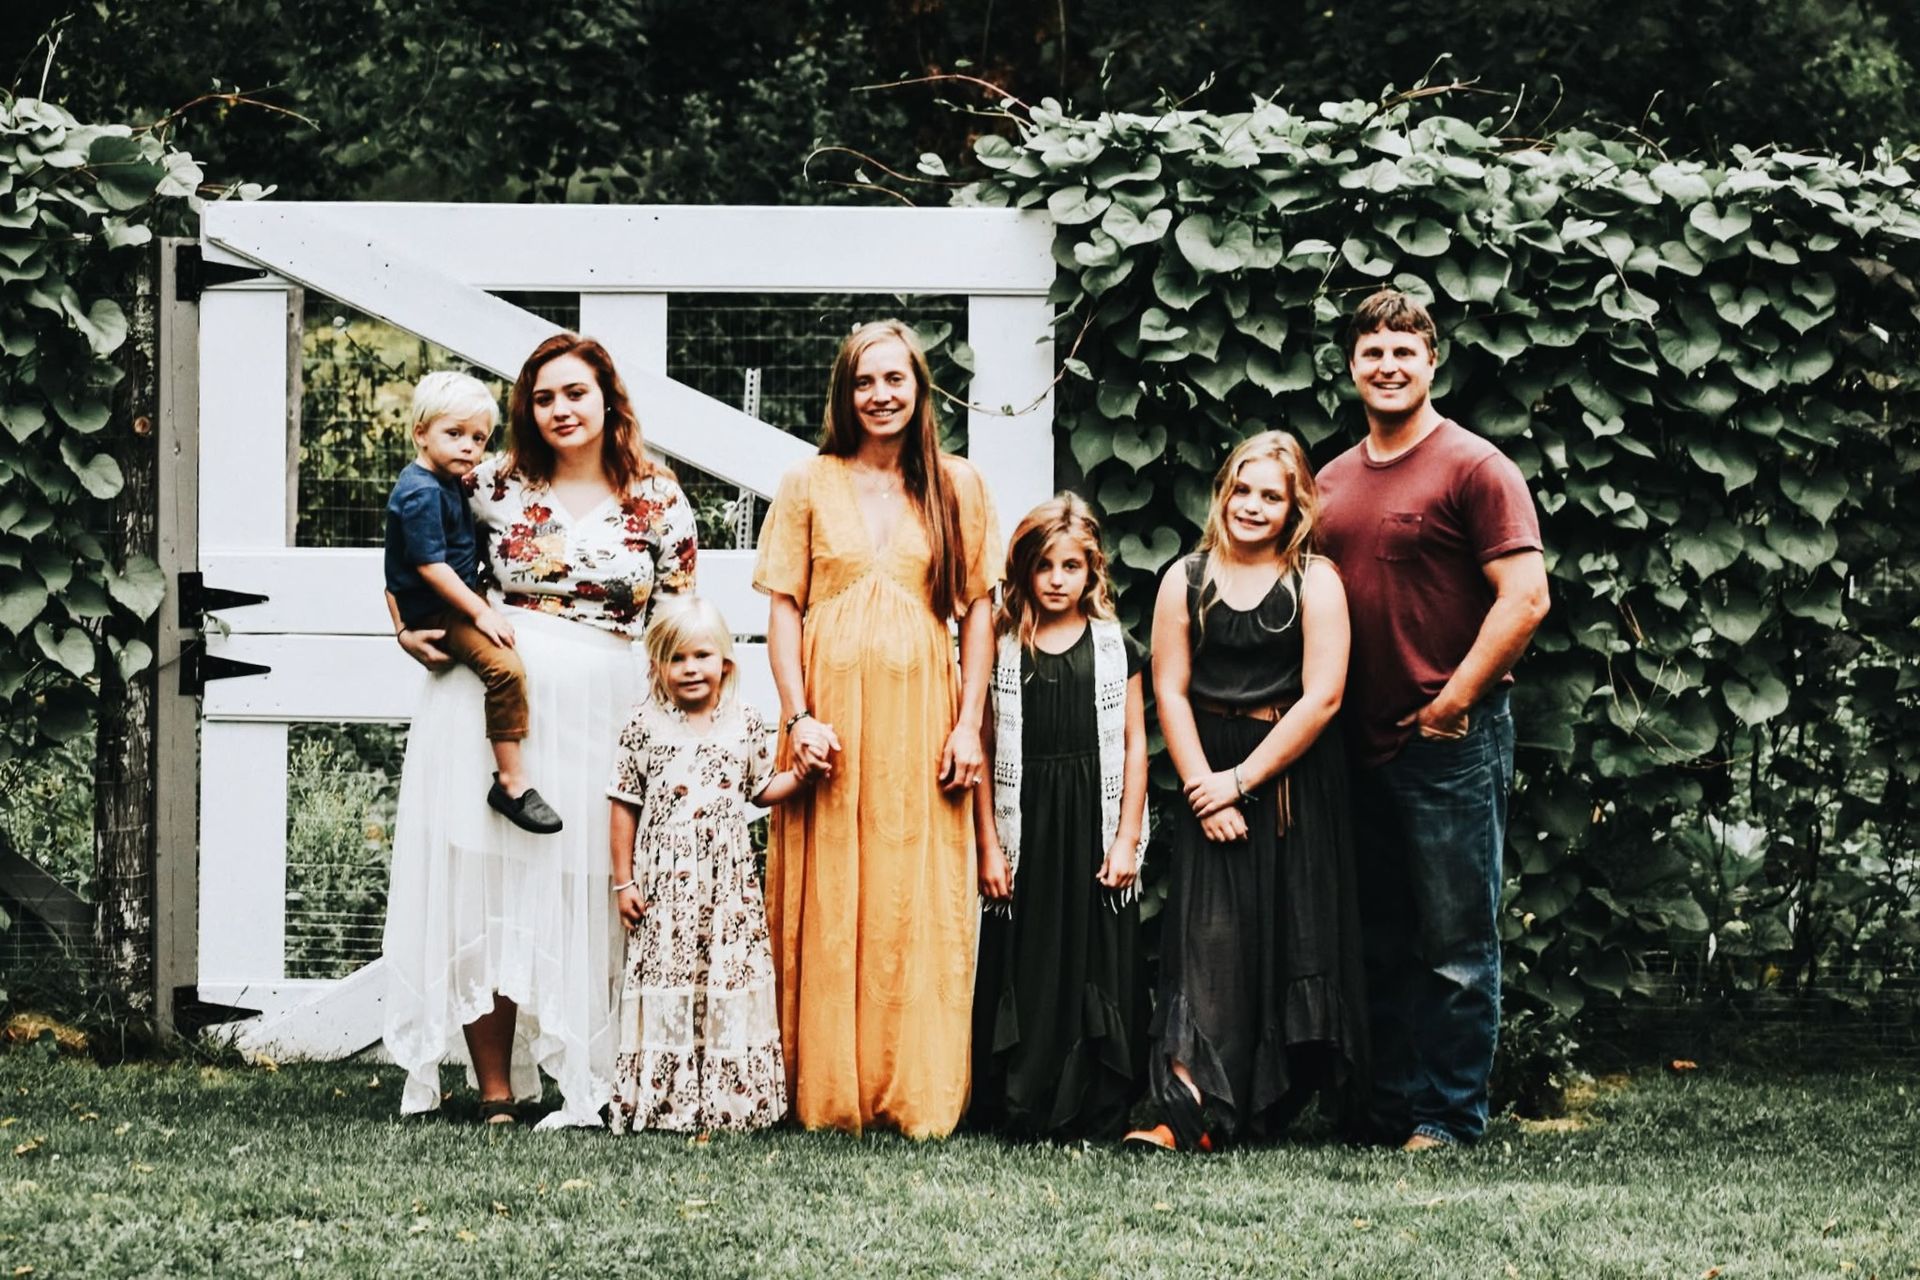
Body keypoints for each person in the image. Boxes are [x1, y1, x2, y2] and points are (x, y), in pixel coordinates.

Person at [381, 332, 698, 1128]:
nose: (560, 409)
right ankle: (496, 1088)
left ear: (607, 399)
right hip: (491, 712)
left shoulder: (658, 496)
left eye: (575, 393)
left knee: (591, 883)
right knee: (490, 883)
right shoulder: (490, 483)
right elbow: (408, 545)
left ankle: (593, 1071)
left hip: (607, 704)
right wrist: (400, 625)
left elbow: (678, 612)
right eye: (544, 397)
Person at [754, 318, 1002, 1138]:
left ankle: (914, 1088)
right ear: (845, 394)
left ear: (920, 390)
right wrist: (797, 718)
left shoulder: (956, 484)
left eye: (895, 379)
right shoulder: (808, 482)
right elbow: (782, 610)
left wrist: (969, 725)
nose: (880, 395)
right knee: (830, 893)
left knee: (911, 895)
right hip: (829, 725)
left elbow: (977, 611)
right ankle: (828, 1091)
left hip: (922, 721)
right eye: (865, 381)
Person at [1315, 288, 1551, 1150]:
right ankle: (1387, 1108)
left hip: (1450, 742)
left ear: (1432, 362)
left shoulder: (1476, 468)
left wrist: (1455, 700)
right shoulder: (1330, 480)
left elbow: (1525, 600)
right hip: (1357, 741)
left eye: (1403, 352)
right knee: (1378, 936)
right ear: (1351, 367)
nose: (1387, 367)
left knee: (1455, 944)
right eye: (1372, 352)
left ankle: (1449, 1117)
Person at [1125, 430, 1368, 1153]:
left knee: (1285, 938)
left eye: (1272, 495)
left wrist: (1240, 782)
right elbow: (1168, 686)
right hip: (1207, 767)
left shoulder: (1315, 581)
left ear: (1295, 508)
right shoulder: (1187, 577)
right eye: (1243, 490)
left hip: (1289, 776)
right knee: (1208, 942)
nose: (1253, 506)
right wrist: (1204, 786)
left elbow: (1322, 699)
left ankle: (1257, 1109)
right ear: (1223, 492)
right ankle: (1185, 1109)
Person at [968, 494, 1149, 1140]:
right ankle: (1024, 1098)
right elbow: (985, 746)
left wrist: (1127, 839)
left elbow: (1133, 745)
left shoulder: (1114, 646)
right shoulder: (1005, 645)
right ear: (1023, 571)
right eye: (1044, 566)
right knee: (1031, 958)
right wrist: (990, 843)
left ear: (1091, 571)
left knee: (1091, 956)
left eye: (1071, 566)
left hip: (1093, 827)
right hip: (1029, 827)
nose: (1056, 579)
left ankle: (1094, 1098)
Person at [606, 598, 808, 1134]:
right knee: (672, 978)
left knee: (720, 975)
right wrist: (623, 879)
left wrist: (807, 775)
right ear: (657, 667)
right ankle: (665, 1099)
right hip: (665, 884)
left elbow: (764, 789)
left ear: (726, 664)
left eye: (701, 656)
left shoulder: (744, 724)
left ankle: (730, 1098)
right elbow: (623, 803)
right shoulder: (642, 726)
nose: (690, 668)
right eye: (676, 658)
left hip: (727, 887)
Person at [382, 370, 561, 835]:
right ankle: (511, 782)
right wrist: (480, 610)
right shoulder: (421, 491)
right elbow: (428, 567)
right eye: (455, 433)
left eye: (478, 437)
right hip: (443, 609)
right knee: (505, 669)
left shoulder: (444, 479)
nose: (469, 447)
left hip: (454, 600)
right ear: (420, 433)